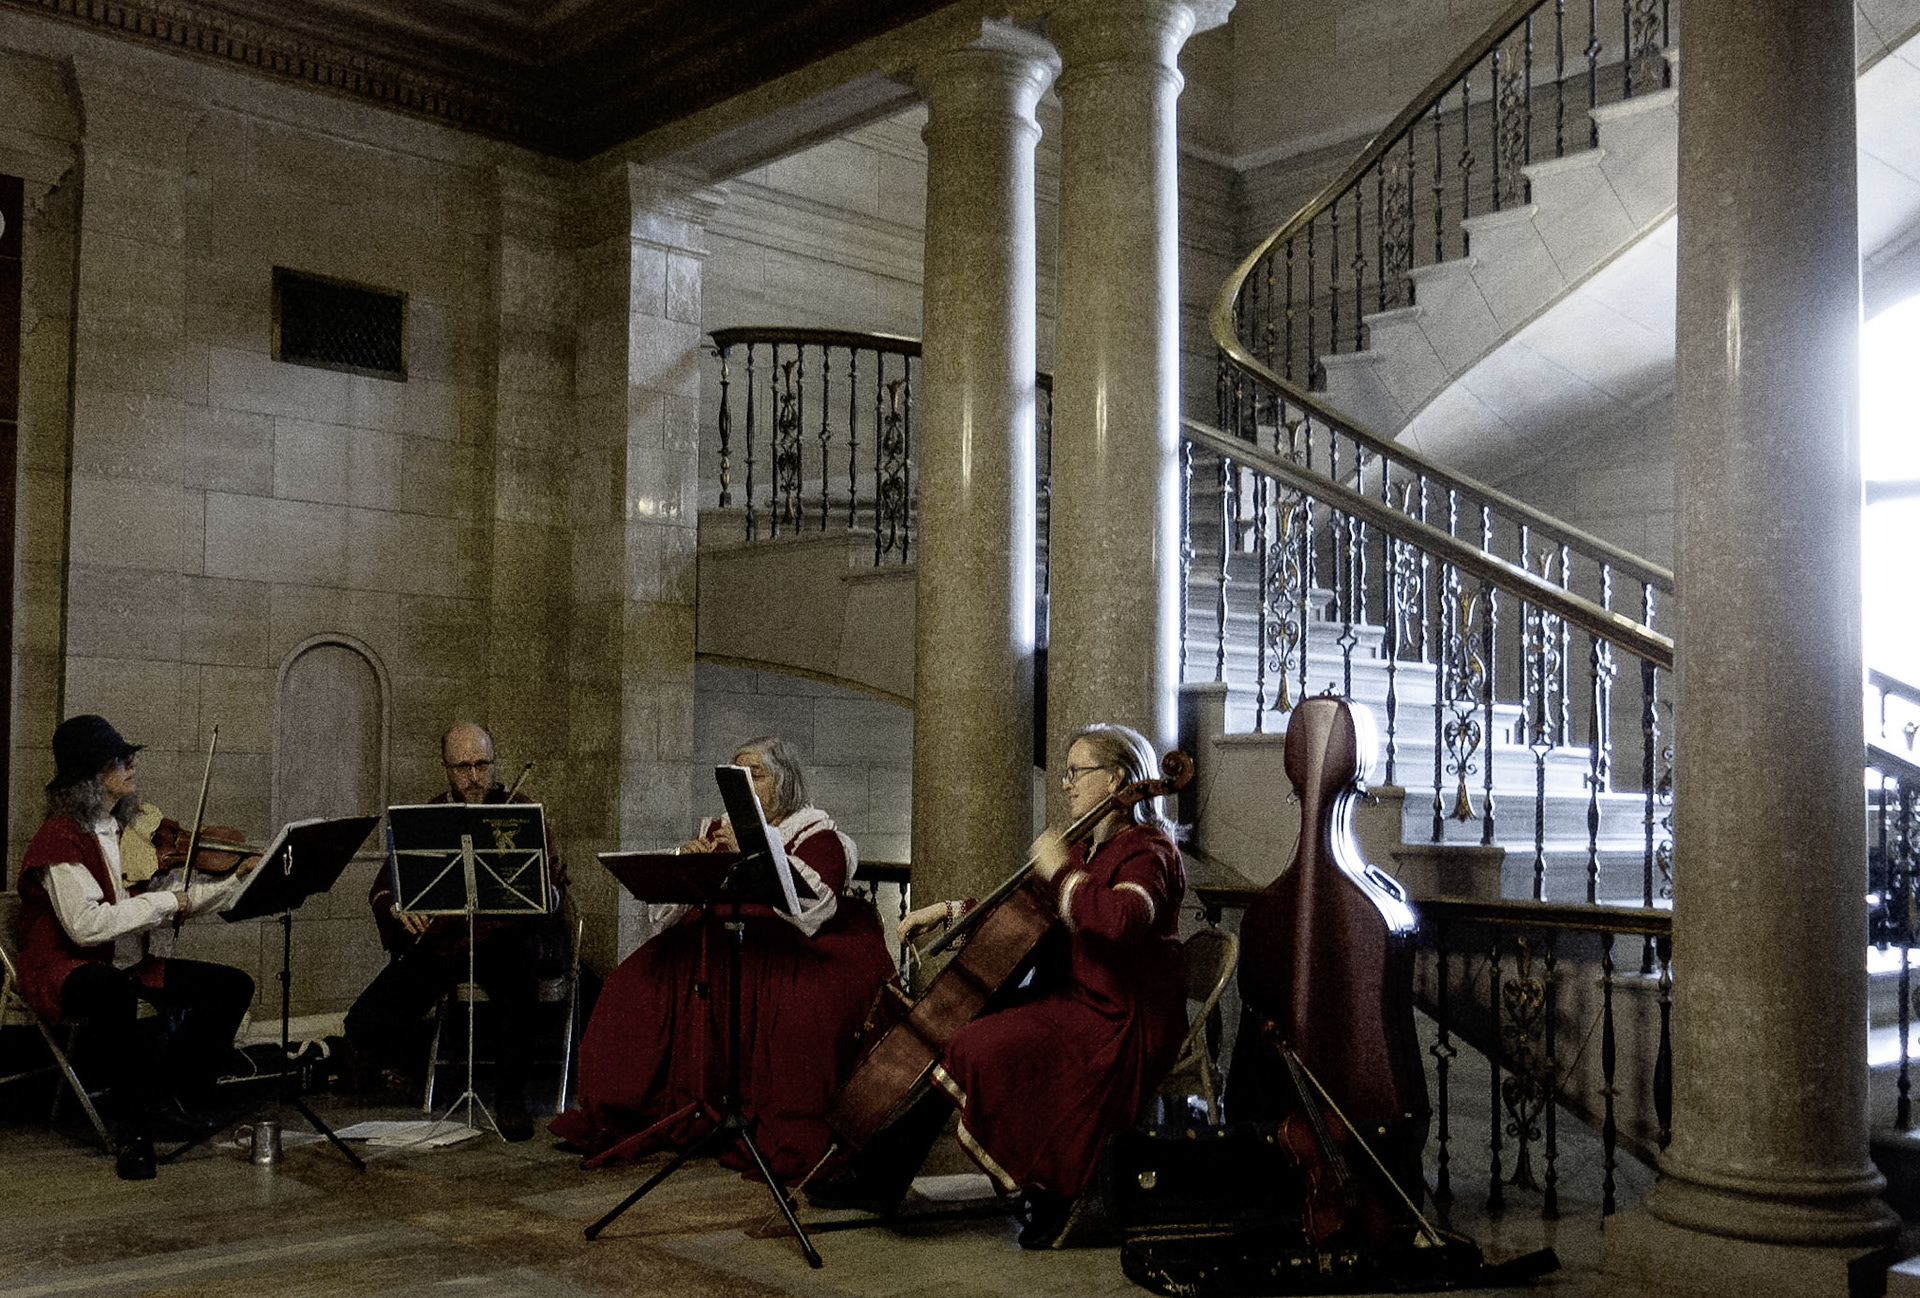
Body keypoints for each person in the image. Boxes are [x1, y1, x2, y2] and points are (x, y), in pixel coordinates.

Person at [821, 723, 1187, 1248]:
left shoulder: (1147, 851)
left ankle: (1056, 1191)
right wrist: (950, 912)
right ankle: (882, 1176)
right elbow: (1026, 910)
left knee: (976, 1044)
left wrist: (1061, 870)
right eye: (1066, 773)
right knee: (964, 1027)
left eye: (1076, 772)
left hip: (1124, 1019)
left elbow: (1120, 919)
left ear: (1116, 781)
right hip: (1080, 1001)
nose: (1065, 784)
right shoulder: (1086, 847)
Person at [549, 736, 897, 1181]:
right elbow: (683, 901)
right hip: (715, 938)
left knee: (804, 1008)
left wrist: (753, 848)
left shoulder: (818, 835)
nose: (746, 785)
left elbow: (811, 908)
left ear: (785, 781)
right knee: (632, 983)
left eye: (757, 775)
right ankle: (640, 1110)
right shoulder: (717, 829)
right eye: (738, 776)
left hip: (788, 945)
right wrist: (689, 862)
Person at [11, 715, 259, 1180]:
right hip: (63, 966)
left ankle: (175, 1097)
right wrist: (166, 899)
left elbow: (172, 900)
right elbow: (86, 926)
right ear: (88, 777)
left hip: (122, 962)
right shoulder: (59, 838)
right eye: (119, 759)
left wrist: (237, 885)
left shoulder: (130, 833)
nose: (131, 765)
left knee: (230, 985)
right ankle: (134, 1129)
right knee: (112, 992)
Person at [343, 722, 567, 1141]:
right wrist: (397, 909)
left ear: (494, 763)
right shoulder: (428, 817)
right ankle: (431, 1054)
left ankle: (510, 1096)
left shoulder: (519, 810)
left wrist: (543, 894)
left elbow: (553, 885)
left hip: (500, 938)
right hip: (440, 945)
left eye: (482, 764)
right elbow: (386, 885)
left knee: (519, 979)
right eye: (463, 766)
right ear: (446, 767)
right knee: (363, 1023)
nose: (475, 777)